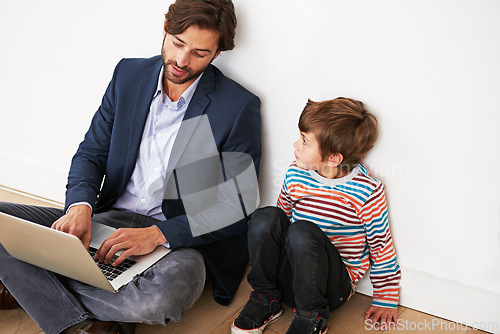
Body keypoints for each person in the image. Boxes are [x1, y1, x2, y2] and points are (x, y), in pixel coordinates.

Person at [0, 0, 261, 333]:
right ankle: (81, 323)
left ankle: (27, 287)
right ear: (166, 30)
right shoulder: (129, 75)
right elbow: (91, 153)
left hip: (175, 241)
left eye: (199, 53)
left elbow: (234, 206)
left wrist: (157, 234)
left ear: (217, 54)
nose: (182, 61)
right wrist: (80, 206)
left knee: (160, 299)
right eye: (178, 43)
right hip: (107, 219)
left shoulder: (237, 106)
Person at [231, 97, 401, 334]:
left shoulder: (367, 191)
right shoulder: (295, 173)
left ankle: (312, 317)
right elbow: (278, 226)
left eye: (304, 141)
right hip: (289, 277)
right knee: (266, 217)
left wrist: (385, 297)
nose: (295, 146)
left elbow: (381, 246)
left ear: (333, 158)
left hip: (329, 288)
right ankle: (265, 298)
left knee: (302, 230)